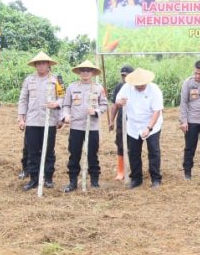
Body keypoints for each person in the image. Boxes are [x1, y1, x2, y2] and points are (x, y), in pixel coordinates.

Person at [18, 52, 64, 191]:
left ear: (48, 64)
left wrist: (57, 106)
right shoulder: (29, 80)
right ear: (35, 65)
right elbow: (23, 99)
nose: (41, 65)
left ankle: (48, 178)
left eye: (43, 63)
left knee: (49, 151)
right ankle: (33, 178)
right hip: (32, 121)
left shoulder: (56, 80)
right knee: (32, 151)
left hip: (49, 121)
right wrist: (21, 117)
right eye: (38, 63)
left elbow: (63, 98)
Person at [61, 60, 108, 192]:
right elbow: (66, 105)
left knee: (92, 154)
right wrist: (66, 115)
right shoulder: (72, 87)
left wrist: (96, 112)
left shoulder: (98, 88)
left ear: (92, 72)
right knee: (74, 154)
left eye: (88, 70)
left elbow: (104, 105)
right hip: (76, 127)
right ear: (79, 72)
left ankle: (94, 181)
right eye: (83, 70)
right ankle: (72, 182)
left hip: (92, 127)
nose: (85, 73)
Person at [116, 68, 164, 189]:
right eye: (137, 84)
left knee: (154, 151)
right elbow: (117, 100)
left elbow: (157, 111)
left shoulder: (154, 90)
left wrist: (149, 128)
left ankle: (156, 178)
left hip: (152, 124)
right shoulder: (127, 87)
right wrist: (120, 102)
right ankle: (136, 178)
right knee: (133, 152)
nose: (140, 86)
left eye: (142, 84)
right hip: (133, 125)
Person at [109, 65, 134, 180]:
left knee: (134, 146)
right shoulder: (119, 87)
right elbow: (115, 105)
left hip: (134, 120)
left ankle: (134, 169)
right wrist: (111, 121)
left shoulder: (138, 86)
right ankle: (121, 171)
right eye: (123, 75)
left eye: (126, 75)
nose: (124, 78)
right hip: (121, 121)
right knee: (120, 145)